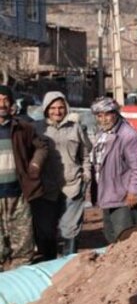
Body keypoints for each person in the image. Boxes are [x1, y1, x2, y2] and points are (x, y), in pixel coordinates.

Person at [33, 91, 91, 258]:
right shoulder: (37, 129)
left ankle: (69, 266)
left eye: (60, 107)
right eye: (52, 108)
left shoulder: (76, 128)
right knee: (46, 230)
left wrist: (86, 174)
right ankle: (48, 265)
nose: (57, 112)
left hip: (72, 185)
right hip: (46, 188)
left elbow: (85, 154)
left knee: (70, 230)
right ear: (46, 109)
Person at [89, 97, 137, 245]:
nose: (103, 119)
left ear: (116, 113)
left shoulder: (128, 136)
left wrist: (133, 191)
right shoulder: (103, 134)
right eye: (99, 115)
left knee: (126, 238)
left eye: (107, 114)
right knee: (112, 237)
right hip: (109, 195)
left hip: (123, 198)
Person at [0, 86, 48, 269]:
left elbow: (41, 147)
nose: (1, 104)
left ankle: (20, 286)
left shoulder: (22, 128)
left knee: (22, 245)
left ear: (12, 104)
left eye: (5, 100)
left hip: (18, 193)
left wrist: (35, 165)